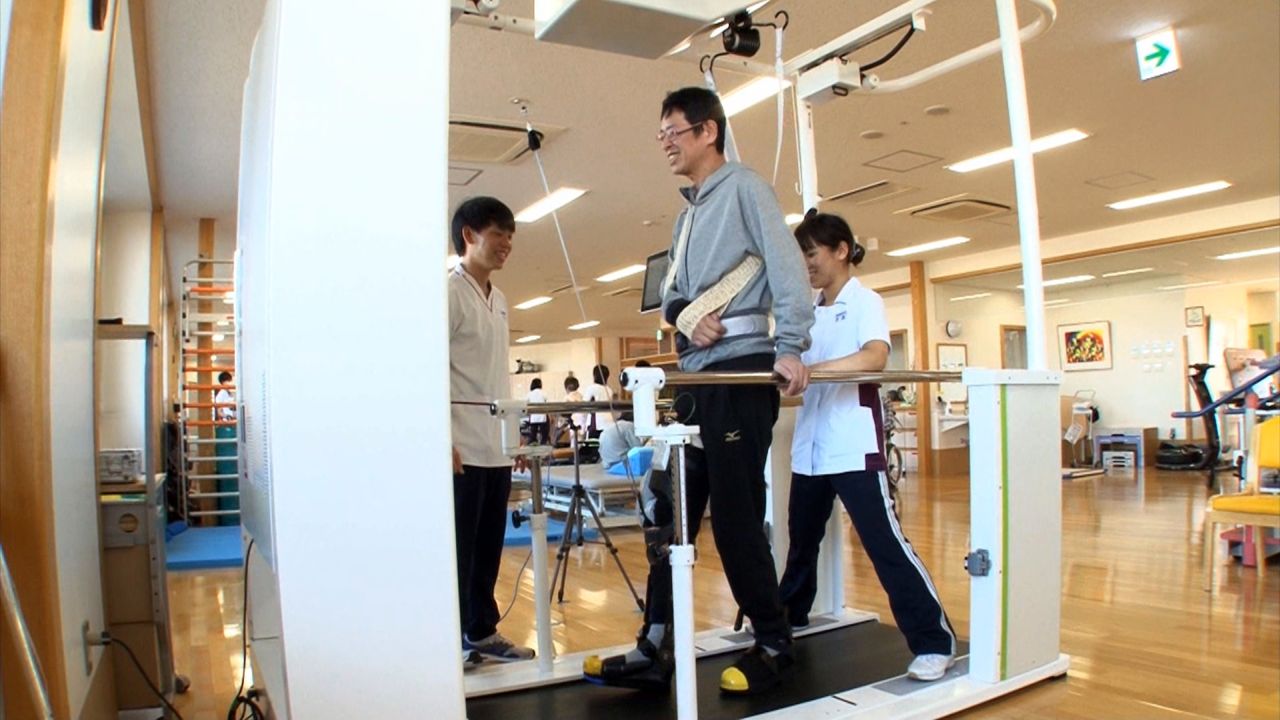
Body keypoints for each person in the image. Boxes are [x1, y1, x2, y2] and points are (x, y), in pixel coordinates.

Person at [585, 87, 814, 696]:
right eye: (660, 134)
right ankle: (656, 644)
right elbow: (671, 299)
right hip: (695, 381)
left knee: (737, 519)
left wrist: (791, 344)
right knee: (669, 514)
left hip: (739, 373)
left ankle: (774, 643)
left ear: (708, 131)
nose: (665, 143)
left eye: (674, 131)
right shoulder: (686, 218)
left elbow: (787, 267)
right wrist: (684, 314)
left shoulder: (746, 189)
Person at [777, 210, 957, 681]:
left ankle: (934, 642)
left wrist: (811, 371)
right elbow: (795, 380)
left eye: (811, 254)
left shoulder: (865, 300)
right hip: (811, 447)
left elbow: (875, 356)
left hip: (853, 444)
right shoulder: (807, 311)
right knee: (801, 543)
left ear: (841, 250)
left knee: (883, 543)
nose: (806, 264)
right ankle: (789, 619)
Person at [448, 196, 535, 668]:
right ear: (469, 235)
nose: (507, 244)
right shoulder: (448, 292)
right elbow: (430, 370)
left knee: (488, 547)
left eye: (510, 236)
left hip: (495, 443)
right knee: (460, 549)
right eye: (499, 234)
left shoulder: (499, 299)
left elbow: (498, 374)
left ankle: (481, 630)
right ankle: (452, 637)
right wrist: (442, 441)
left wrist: (512, 434)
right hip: (461, 445)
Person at [581, 364, 616, 438]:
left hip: (596, 425)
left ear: (594, 376)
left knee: (593, 444)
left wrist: (582, 428)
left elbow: (583, 408)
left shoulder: (591, 388)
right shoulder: (609, 390)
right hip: (609, 423)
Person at [527, 378, 549, 444]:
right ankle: (543, 446)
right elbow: (548, 405)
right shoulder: (543, 393)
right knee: (544, 436)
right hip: (543, 417)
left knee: (533, 436)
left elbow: (526, 406)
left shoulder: (529, 394)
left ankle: (532, 446)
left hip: (533, 418)